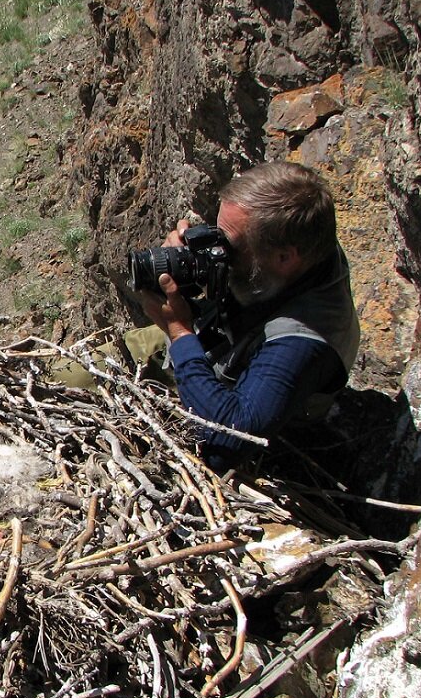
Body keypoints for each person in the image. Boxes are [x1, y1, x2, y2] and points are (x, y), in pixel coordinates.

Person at [137, 162, 360, 473]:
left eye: (228, 245)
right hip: (209, 337)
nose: (220, 249)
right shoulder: (299, 241)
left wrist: (179, 331)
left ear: (284, 258)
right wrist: (195, 257)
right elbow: (242, 252)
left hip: (223, 396)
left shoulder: (303, 341)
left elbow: (227, 443)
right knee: (65, 372)